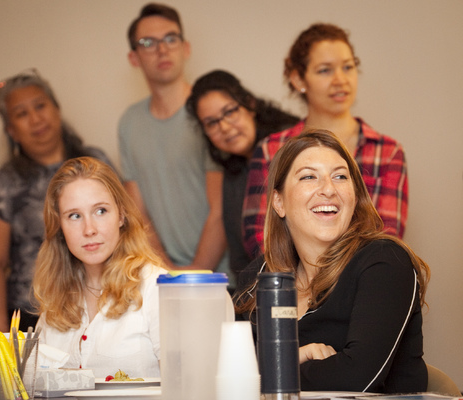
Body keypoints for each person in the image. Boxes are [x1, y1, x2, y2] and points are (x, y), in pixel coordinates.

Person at [236, 130, 429, 393]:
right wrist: (290, 361)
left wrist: (276, 369)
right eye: (308, 177)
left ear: (355, 195)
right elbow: (222, 369)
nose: (328, 189)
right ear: (279, 203)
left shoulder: (384, 262)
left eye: (340, 176)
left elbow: (357, 379)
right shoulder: (261, 275)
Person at [243, 23, 408, 258]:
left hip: (362, 284)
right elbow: (259, 235)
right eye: (325, 70)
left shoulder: (387, 152)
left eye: (348, 67)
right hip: (290, 285)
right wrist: (304, 276)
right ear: (299, 79)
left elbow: (387, 238)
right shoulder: (272, 149)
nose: (340, 80)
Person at [0, 70, 115, 331]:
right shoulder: (4, 183)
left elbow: (127, 223)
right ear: (11, 130)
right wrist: (0, 337)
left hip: (103, 300)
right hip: (31, 311)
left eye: (40, 106)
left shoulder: (95, 162)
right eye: (21, 114)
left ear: (56, 109)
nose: (35, 119)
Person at [119, 3, 229, 278]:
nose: (162, 49)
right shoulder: (129, 123)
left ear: (185, 47)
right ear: (134, 57)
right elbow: (138, 213)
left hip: (224, 279)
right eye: (148, 42)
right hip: (164, 279)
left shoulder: (210, 113)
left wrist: (195, 274)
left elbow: (221, 207)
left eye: (170, 38)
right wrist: (167, 272)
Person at [33, 157, 167, 378]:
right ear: (59, 226)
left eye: (101, 211)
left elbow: (185, 388)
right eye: (74, 216)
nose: (89, 229)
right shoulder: (55, 300)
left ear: (121, 215)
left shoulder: (156, 288)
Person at [185, 70, 299, 277]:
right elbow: (240, 255)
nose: (225, 127)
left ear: (250, 105)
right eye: (212, 123)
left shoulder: (290, 146)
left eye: (229, 112)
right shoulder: (233, 169)